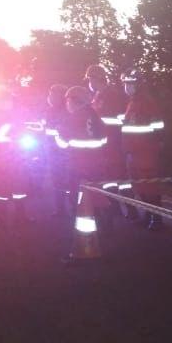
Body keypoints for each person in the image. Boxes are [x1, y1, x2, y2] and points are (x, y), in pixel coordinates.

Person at [56, 86, 108, 236]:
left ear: (75, 101)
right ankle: (104, 227)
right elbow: (104, 139)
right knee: (97, 196)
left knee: (79, 200)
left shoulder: (73, 118)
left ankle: (85, 236)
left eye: (68, 100)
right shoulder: (95, 115)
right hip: (96, 163)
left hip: (78, 165)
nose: (67, 104)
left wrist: (58, 135)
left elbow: (64, 143)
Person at [120, 70, 166, 230]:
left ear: (138, 85)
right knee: (140, 186)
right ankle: (148, 215)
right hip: (134, 151)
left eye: (130, 83)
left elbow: (158, 126)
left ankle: (156, 218)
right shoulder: (132, 102)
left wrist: (156, 144)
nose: (127, 87)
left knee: (150, 186)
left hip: (146, 151)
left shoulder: (146, 102)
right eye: (126, 83)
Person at [85, 64, 127, 228]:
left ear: (97, 78)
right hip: (103, 145)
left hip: (113, 144)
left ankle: (127, 210)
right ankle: (114, 208)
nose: (89, 82)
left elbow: (117, 120)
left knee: (116, 178)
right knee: (108, 179)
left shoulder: (111, 95)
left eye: (90, 79)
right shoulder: (97, 95)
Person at [0, 88, 33, 228]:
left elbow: (22, 131)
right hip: (0, 159)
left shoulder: (14, 115)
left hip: (16, 157)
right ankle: (1, 220)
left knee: (19, 189)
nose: (10, 103)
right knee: (1, 191)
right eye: (8, 100)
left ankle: (21, 217)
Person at [43, 83, 70, 217]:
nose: (50, 97)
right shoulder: (51, 110)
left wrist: (47, 130)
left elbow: (61, 130)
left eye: (53, 94)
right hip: (53, 152)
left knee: (67, 181)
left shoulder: (66, 110)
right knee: (57, 181)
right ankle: (60, 209)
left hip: (64, 153)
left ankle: (70, 208)